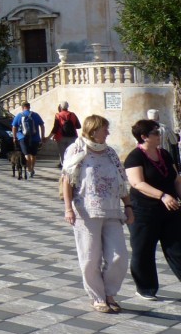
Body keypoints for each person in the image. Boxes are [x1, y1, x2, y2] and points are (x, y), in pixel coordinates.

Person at [62, 115, 132, 313]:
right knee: (90, 256)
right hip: (86, 211)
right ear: (94, 130)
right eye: (105, 129)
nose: (108, 133)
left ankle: (110, 293)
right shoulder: (76, 150)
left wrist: (128, 206)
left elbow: (121, 181)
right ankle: (98, 296)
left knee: (119, 255)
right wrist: (68, 208)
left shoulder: (110, 152)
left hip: (111, 209)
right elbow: (66, 180)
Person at [124, 118, 181, 301]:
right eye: (155, 133)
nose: (159, 135)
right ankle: (145, 288)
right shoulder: (135, 156)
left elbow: (176, 179)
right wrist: (162, 195)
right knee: (143, 250)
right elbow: (137, 183)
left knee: (177, 248)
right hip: (144, 210)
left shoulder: (164, 154)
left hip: (170, 209)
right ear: (144, 137)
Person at [11, 102, 46, 179]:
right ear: (29, 107)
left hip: (22, 137)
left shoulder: (19, 115)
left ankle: (28, 169)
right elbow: (42, 125)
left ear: (22, 107)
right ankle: (32, 169)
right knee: (33, 155)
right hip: (35, 137)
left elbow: (14, 127)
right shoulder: (35, 115)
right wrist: (42, 136)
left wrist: (14, 137)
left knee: (26, 155)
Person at [52, 102, 82, 168]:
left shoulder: (58, 115)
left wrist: (49, 137)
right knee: (71, 152)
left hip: (61, 137)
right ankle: (71, 166)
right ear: (67, 107)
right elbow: (78, 126)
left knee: (62, 153)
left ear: (60, 107)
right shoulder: (73, 115)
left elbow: (55, 128)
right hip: (72, 136)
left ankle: (64, 167)